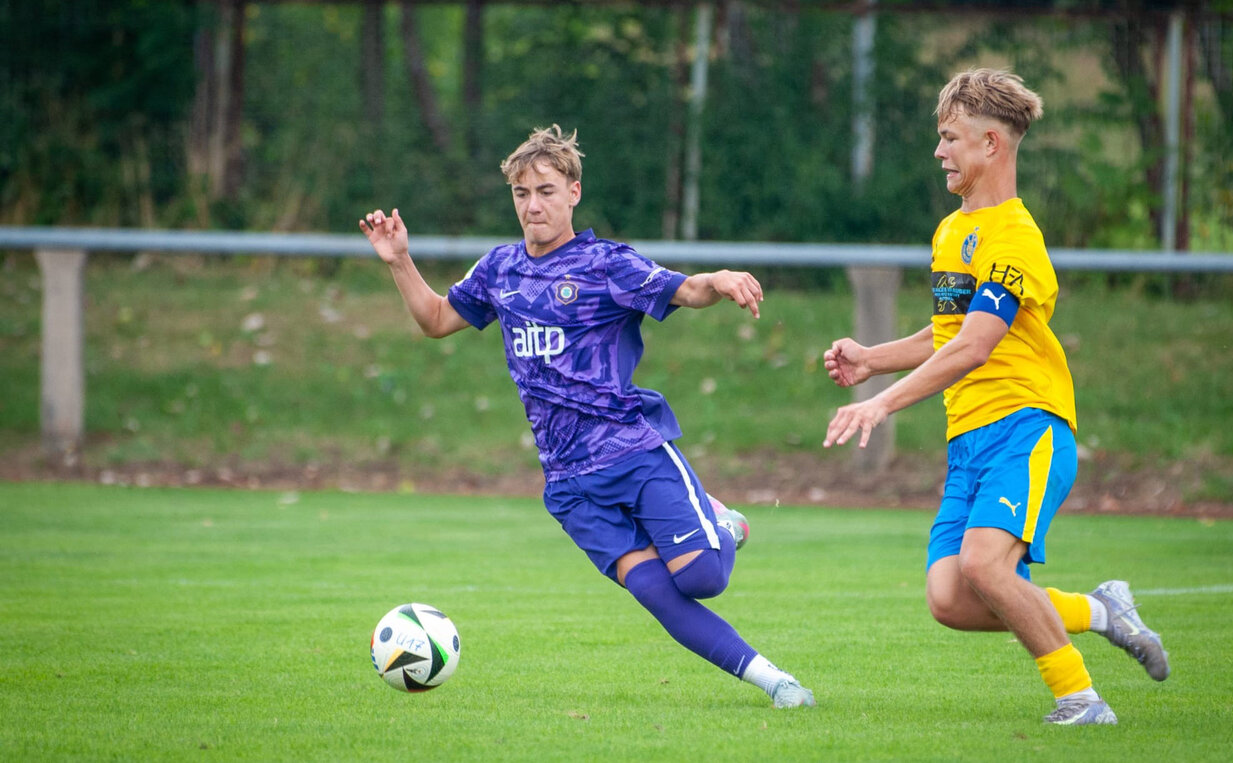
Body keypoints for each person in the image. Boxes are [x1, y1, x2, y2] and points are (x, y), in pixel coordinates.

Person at [360, 125, 814, 709]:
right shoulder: (499, 270)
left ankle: (724, 526)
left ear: (574, 191)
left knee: (703, 578)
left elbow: (684, 289)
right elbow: (436, 319)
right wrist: (399, 260)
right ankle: (776, 683)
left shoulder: (606, 265)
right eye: (521, 194)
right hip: (569, 484)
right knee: (655, 592)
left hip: (633, 450)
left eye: (545, 190)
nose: (533, 205)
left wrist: (719, 280)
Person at [821, 69, 1168, 725]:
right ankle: (1099, 610)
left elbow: (976, 345)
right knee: (950, 596)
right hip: (969, 439)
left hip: (1025, 426)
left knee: (985, 563)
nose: (938, 151)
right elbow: (946, 334)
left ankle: (1081, 699)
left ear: (990, 145)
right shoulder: (952, 232)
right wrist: (873, 359)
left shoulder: (1015, 237)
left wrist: (882, 402)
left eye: (949, 138)